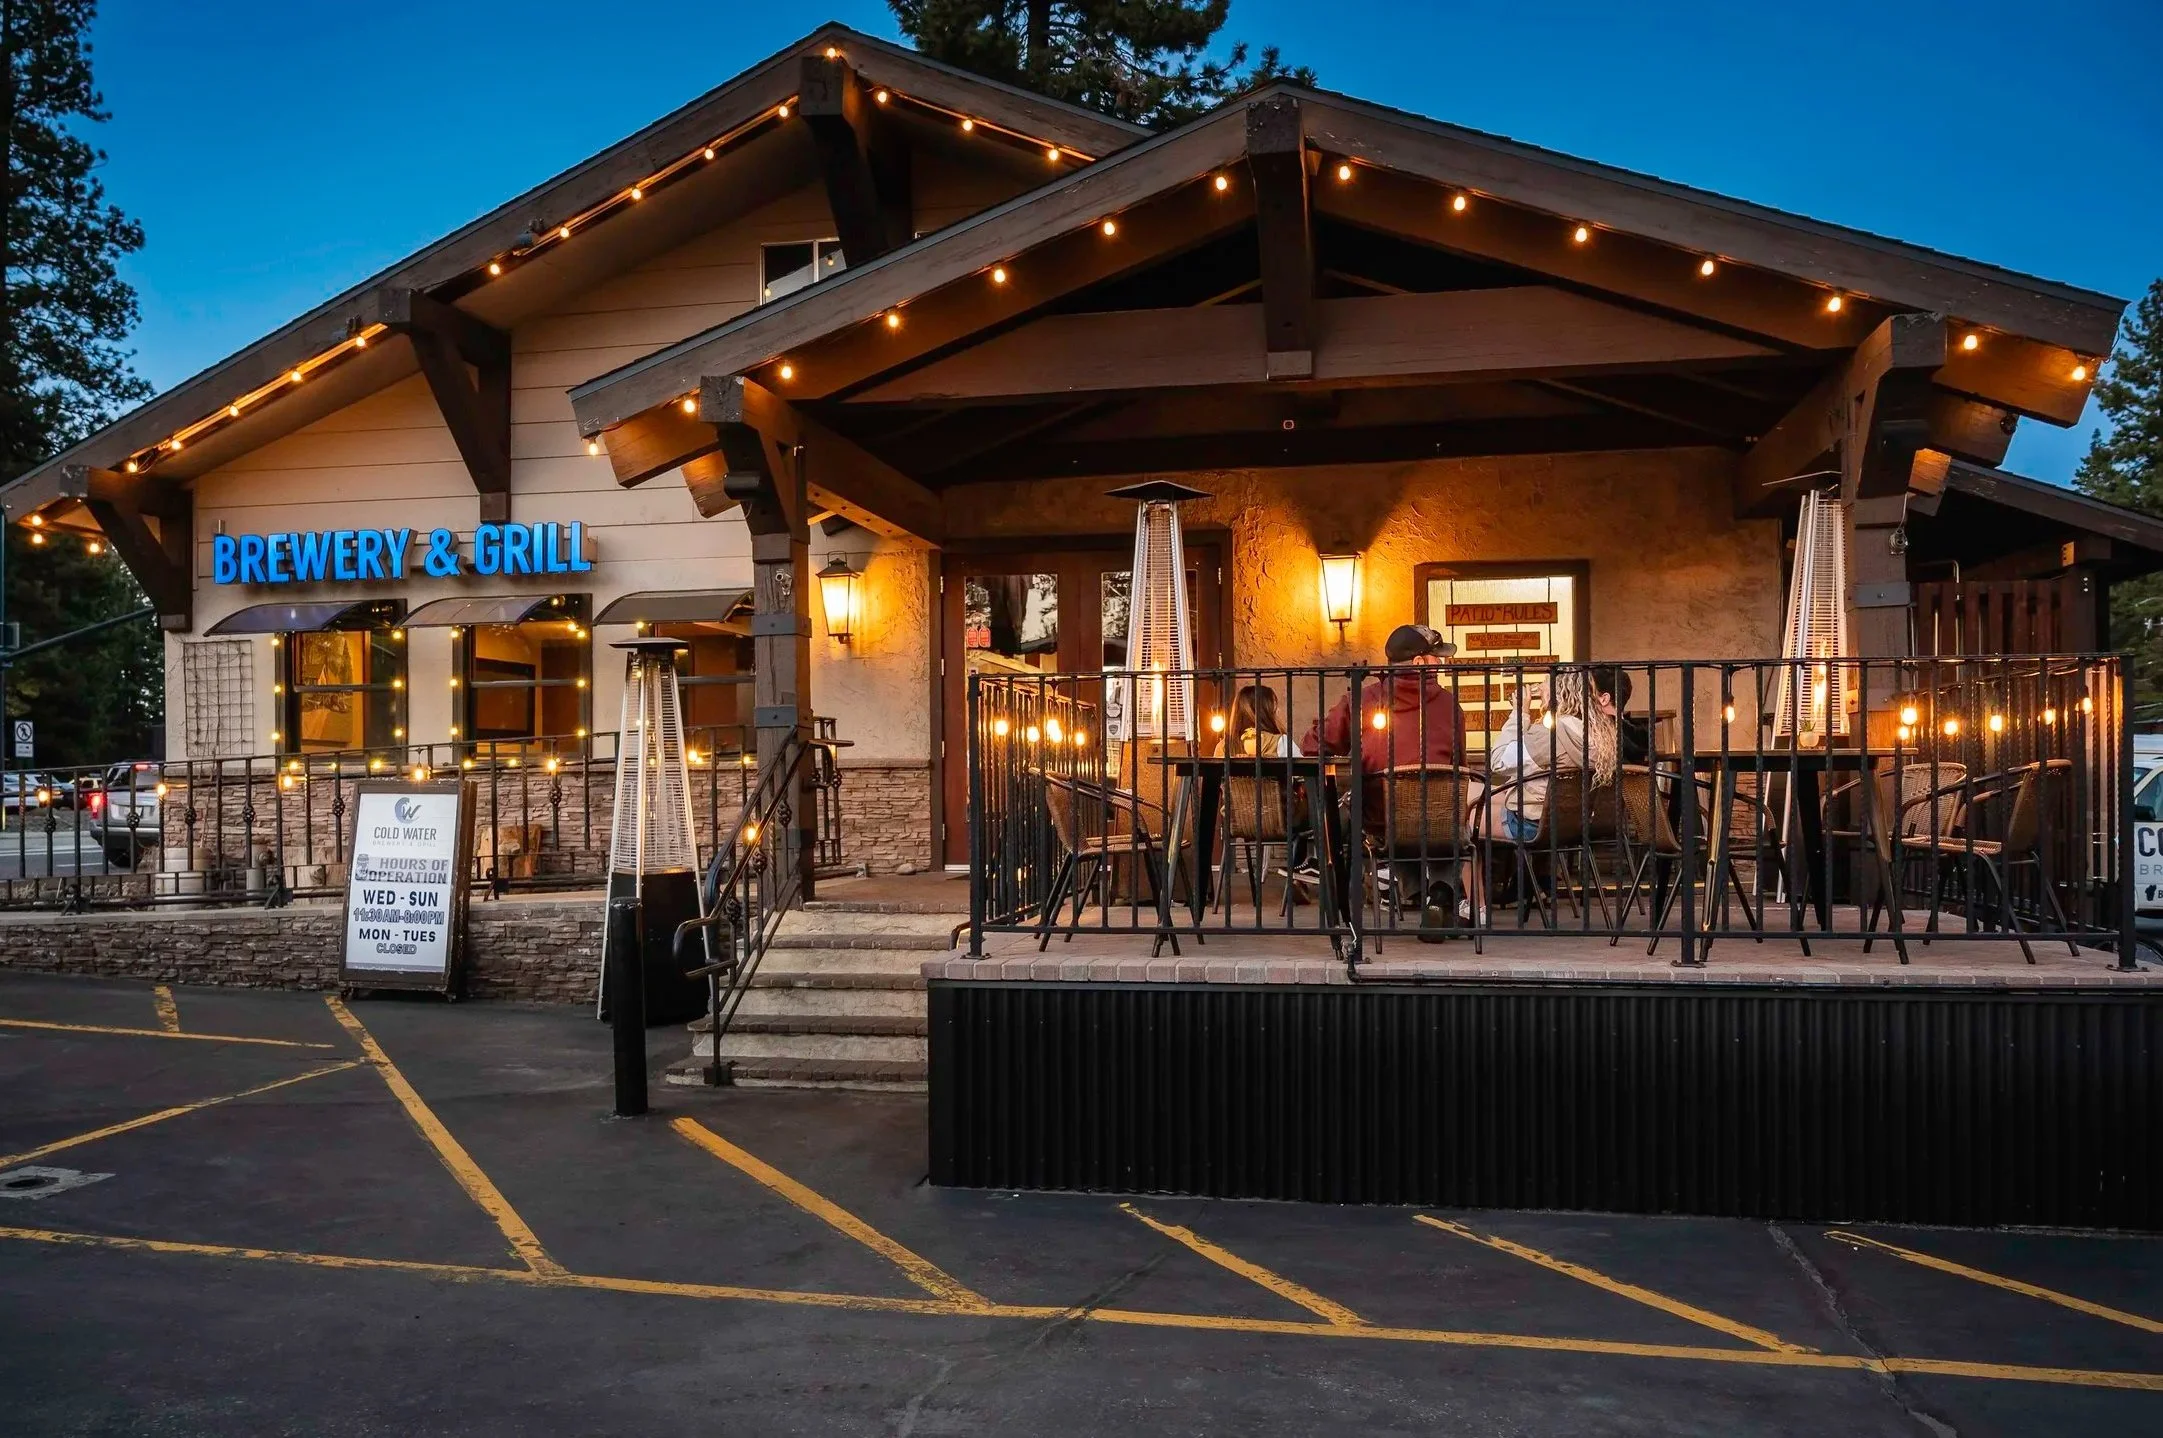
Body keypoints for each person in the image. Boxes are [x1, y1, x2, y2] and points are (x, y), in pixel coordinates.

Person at [1487, 664, 1632, 842]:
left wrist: (1520, 712)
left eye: (1545, 683)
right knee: (1472, 798)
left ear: (1560, 692)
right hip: (1573, 823)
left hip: (1533, 824)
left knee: (1458, 814)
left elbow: (1498, 761)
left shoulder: (1552, 736)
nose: (1539, 689)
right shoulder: (1601, 735)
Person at [1214, 684, 1294, 758]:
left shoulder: (1223, 746)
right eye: (1273, 707)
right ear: (1266, 712)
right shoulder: (1281, 742)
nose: (1278, 711)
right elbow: (1300, 770)